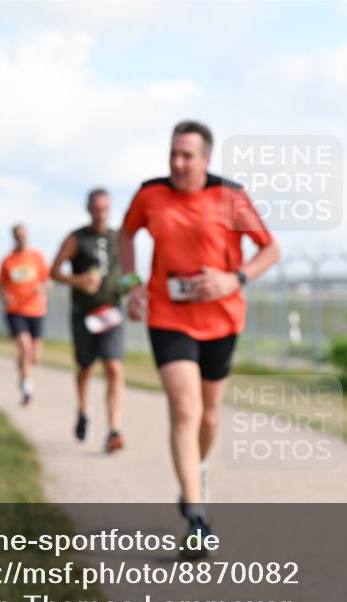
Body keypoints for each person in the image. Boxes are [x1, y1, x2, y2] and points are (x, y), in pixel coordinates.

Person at [119, 120, 281, 556]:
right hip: (167, 315)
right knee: (185, 408)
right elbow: (126, 232)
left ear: (205, 159)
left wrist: (234, 279)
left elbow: (270, 249)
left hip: (222, 319)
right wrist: (130, 283)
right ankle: (196, 516)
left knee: (209, 416)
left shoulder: (231, 196)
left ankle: (196, 468)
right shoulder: (149, 195)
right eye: (173, 153)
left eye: (187, 155)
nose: (177, 162)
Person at [52, 189, 127, 452]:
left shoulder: (119, 238)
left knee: (114, 366)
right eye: (96, 209)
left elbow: (130, 273)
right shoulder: (76, 238)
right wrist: (79, 280)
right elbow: (54, 271)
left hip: (112, 313)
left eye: (105, 208)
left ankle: (114, 430)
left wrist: (132, 288)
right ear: (88, 209)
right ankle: (83, 409)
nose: (101, 214)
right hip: (83, 314)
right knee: (86, 368)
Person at [0, 223, 50, 405]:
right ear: (14, 237)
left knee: (34, 356)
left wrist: (41, 288)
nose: (21, 238)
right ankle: (27, 389)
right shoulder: (8, 260)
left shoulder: (37, 257)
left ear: (27, 236)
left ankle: (22, 371)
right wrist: (5, 296)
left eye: (23, 234)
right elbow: (1, 285)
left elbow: (48, 280)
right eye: (18, 235)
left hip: (36, 309)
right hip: (15, 310)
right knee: (25, 347)